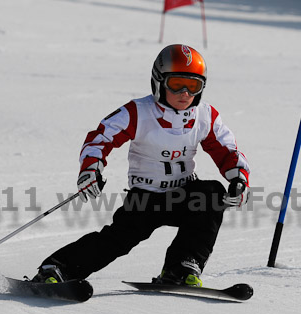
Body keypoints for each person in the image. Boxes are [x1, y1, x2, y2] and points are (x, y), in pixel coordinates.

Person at [32, 44, 250, 287]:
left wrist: (238, 179)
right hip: (145, 198)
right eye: (177, 84)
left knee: (212, 195)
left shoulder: (205, 115)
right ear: (159, 82)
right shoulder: (139, 112)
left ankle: (181, 268)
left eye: (194, 85)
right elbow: (101, 137)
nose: (185, 93)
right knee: (119, 240)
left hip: (185, 194)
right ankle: (56, 269)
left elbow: (227, 149)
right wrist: (91, 168)